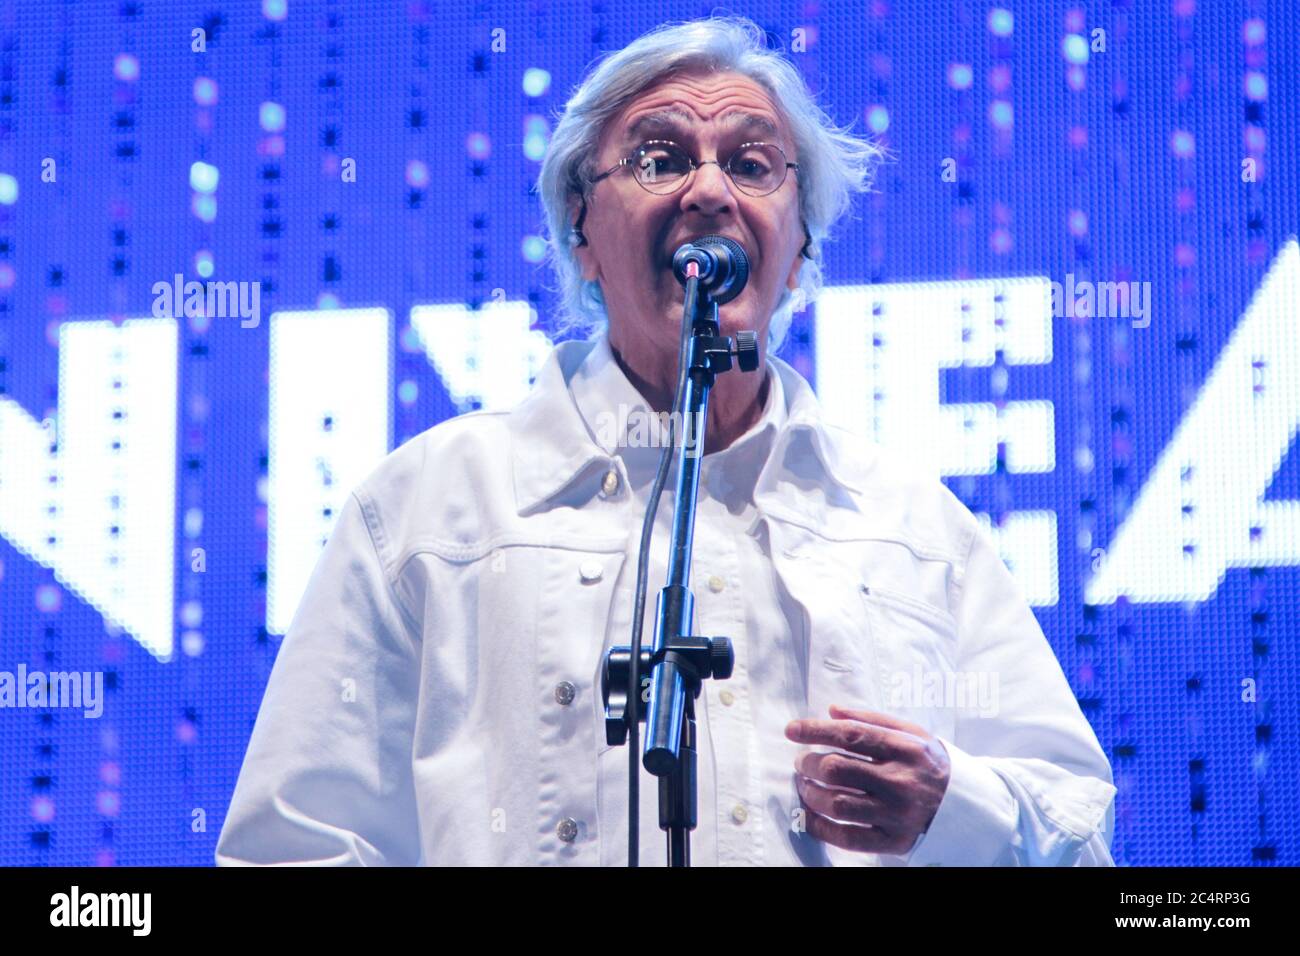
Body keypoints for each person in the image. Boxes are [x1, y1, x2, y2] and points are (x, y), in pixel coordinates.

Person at [216, 15, 1116, 866]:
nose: (711, 190)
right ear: (580, 230)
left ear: (799, 247)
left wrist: (952, 806)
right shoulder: (428, 508)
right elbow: (297, 844)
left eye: (755, 165)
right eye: (661, 157)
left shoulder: (911, 525)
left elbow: (1080, 835)